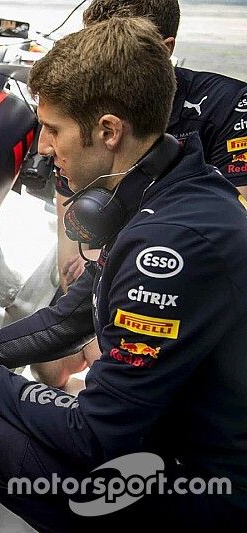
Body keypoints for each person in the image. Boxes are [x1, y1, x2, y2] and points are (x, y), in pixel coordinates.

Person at [0, 16, 247, 530]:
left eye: (53, 130)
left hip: (212, 491)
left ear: (108, 131)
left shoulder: (166, 251)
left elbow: (94, 435)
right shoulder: (174, 187)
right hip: (199, 433)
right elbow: (67, 318)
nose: (43, 148)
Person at [39, 0, 247, 391]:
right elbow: (73, 256)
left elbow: (227, 235)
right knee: (49, 366)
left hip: (187, 287)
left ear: (164, 49)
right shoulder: (78, 112)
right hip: (112, 275)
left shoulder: (231, 105)